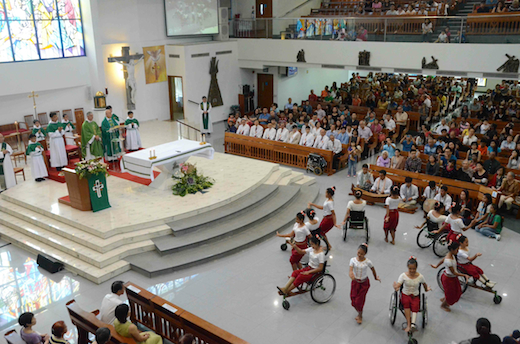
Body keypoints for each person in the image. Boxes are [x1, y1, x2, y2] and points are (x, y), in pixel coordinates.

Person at [393, 257, 431, 333]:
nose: (412, 270)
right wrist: (396, 287)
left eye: (414, 269)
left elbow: (424, 285)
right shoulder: (403, 275)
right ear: (408, 267)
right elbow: (399, 285)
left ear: (416, 268)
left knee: (415, 305)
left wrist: (427, 289)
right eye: (410, 269)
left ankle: (413, 324)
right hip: (405, 295)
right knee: (406, 304)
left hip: (415, 296)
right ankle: (409, 324)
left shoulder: (420, 276)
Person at [430, 241, 470, 312]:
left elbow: (443, 260)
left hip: (452, 278)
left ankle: (445, 299)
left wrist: (436, 266)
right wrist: (464, 275)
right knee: (451, 294)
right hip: (449, 279)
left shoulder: (449, 254)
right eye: (456, 250)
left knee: (453, 292)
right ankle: (443, 305)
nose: (458, 251)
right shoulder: (448, 261)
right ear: (452, 250)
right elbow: (454, 272)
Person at [349, 243, 380, 324]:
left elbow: (373, 269)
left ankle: (360, 315)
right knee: (353, 300)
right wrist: (351, 273)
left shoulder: (368, 261)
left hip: (364, 284)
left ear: (365, 254)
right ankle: (359, 312)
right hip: (355, 283)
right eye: (358, 253)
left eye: (362, 254)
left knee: (359, 301)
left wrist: (375, 277)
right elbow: (350, 269)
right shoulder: (353, 260)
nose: (359, 255)